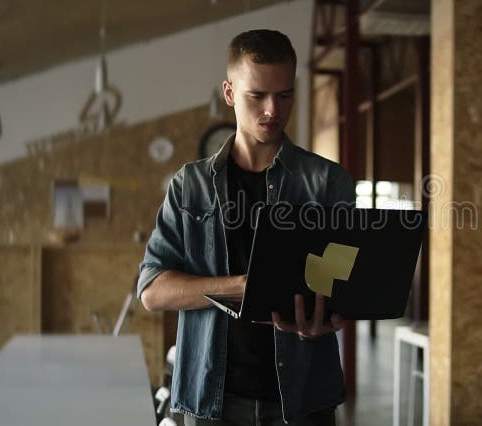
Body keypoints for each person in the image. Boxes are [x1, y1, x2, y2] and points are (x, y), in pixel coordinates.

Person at [138, 29, 355, 426]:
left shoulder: (328, 182)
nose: (273, 109)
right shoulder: (190, 186)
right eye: (257, 96)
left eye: (285, 95)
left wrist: (324, 321)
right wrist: (241, 287)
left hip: (303, 400)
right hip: (210, 402)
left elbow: (344, 287)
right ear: (229, 92)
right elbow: (152, 291)